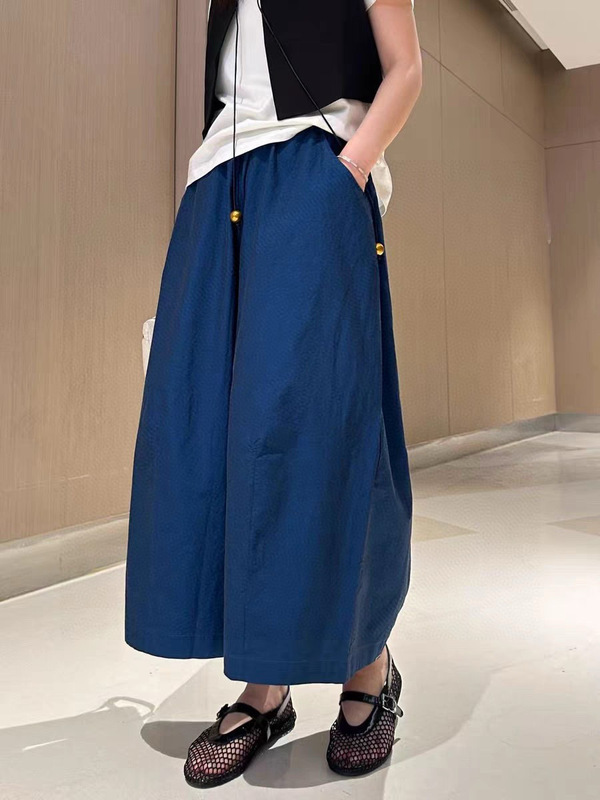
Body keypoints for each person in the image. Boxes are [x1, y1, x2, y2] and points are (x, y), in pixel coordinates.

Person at [124, 0, 422, 787]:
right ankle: (267, 677)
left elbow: (406, 69)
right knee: (215, 430)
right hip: (218, 184)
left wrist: (348, 169)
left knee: (319, 423)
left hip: (314, 171)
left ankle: (367, 663)